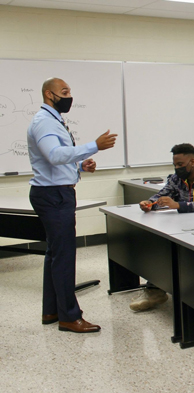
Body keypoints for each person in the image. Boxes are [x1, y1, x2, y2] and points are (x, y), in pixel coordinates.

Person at [28, 77, 117, 333]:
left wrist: (79, 166)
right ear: (49, 94)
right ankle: (69, 316)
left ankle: (51, 310)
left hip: (55, 192)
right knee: (64, 256)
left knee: (55, 254)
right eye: (64, 92)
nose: (69, 96)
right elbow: (54, 156)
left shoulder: (53, 120)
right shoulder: (44, 121)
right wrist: (94, 147)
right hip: (53, 196)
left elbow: (55, 160)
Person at [130, 143, 194, 312]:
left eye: (180, 165)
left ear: (192, 161)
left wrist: (178, 205)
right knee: (160, 243)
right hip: (186, 226)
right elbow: (162, 195)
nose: (177, 168)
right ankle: (155, 289)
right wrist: (150, 204)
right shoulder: (176, 179)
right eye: (175, 164)